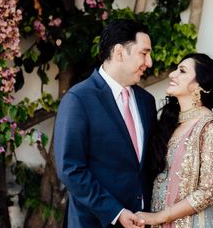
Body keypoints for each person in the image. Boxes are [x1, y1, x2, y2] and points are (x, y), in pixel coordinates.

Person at [54, 19, 157, 228]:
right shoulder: (78, 99)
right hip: (92, 222)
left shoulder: (147, 101)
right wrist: (115, 212)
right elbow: (70, 169)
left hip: (141, 222)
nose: (150, 62)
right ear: (119, 52)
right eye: (144, 53)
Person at [134, 54, 213, 227]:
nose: (172, 74)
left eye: (182, 71)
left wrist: (159, 217)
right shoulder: (170, 122)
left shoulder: (210, 128)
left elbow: (208, 191)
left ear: (201, 85)